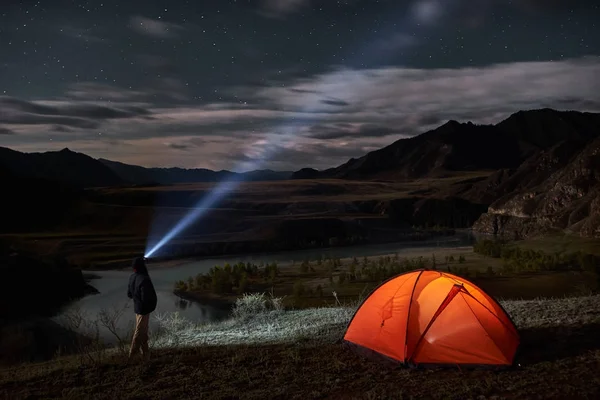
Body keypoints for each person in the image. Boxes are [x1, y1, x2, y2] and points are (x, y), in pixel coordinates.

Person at [127, 256, 157, 360]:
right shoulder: (144, 279)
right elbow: (147, 297)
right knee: (139, 331)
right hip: (144, 310)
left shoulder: (132, 277)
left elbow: (129, 294)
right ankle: (132, 356)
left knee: (143, 331)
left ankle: (146, 355)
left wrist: (137, 298)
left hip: (137, 309)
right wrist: (150, 306)